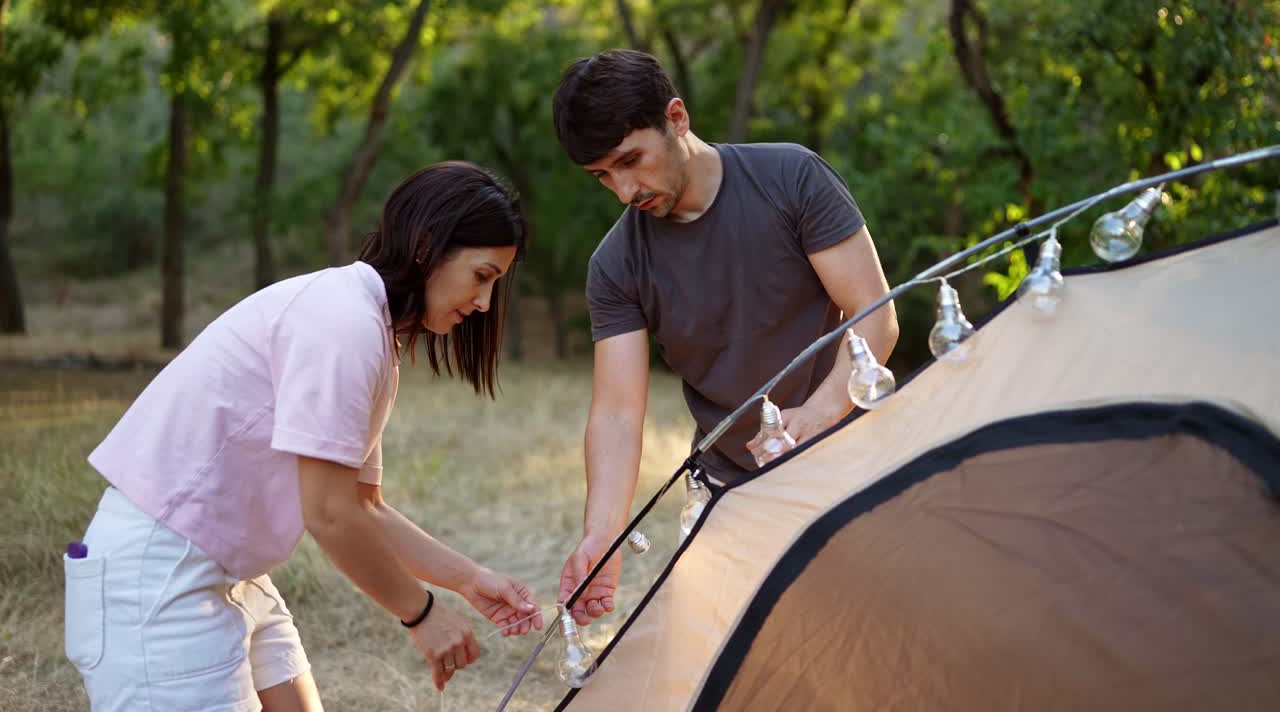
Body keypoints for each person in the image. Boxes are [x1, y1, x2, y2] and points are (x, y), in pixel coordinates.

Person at [62, 161, 543, 712]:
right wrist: (422, 612)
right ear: (427, 245)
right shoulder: (343, 323)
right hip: (159, 573)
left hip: (228, 567)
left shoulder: (366, 327)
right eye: (481, 276)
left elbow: (365, 506)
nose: (483, 303)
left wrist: (470, 580)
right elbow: (331, 515)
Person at [551, 50, 899, 626]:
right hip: (728, 493)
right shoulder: (616, 265)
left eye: (631, 161)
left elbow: (876, 314)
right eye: (602, 176)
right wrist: (601, 536)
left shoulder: (791, 179)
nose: (623, 190)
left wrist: (813, 417)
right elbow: (616, 414)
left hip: (851, 463)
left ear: (678, 118)